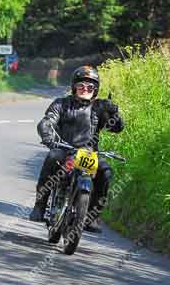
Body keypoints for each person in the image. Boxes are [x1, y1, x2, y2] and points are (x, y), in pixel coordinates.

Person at [29, 65, 124, 234]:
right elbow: (47, 121)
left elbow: (116, 128)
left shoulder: (100, 107)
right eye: (81, 86)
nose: (85, 89)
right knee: (52, 157)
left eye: (90, 87)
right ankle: (40, 205)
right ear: (74, 87)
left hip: (88, 154)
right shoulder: (61, 104)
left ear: (95, 89)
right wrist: (48, 136)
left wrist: (114, 113)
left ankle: (93, 216)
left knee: (106, 172)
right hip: (64, 149)